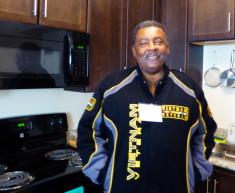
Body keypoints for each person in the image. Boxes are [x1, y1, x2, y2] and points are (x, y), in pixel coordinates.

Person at [77, 20, 217, 193]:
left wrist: (196, 171)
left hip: (177, 186)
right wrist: (101, 173)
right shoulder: (111, 87)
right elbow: (88, 131)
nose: (152, 48)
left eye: (158, 42)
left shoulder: (189, 88)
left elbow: (206, 133)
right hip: (123, 187)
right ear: (134, 51)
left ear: (167, 47)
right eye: (144, 43)